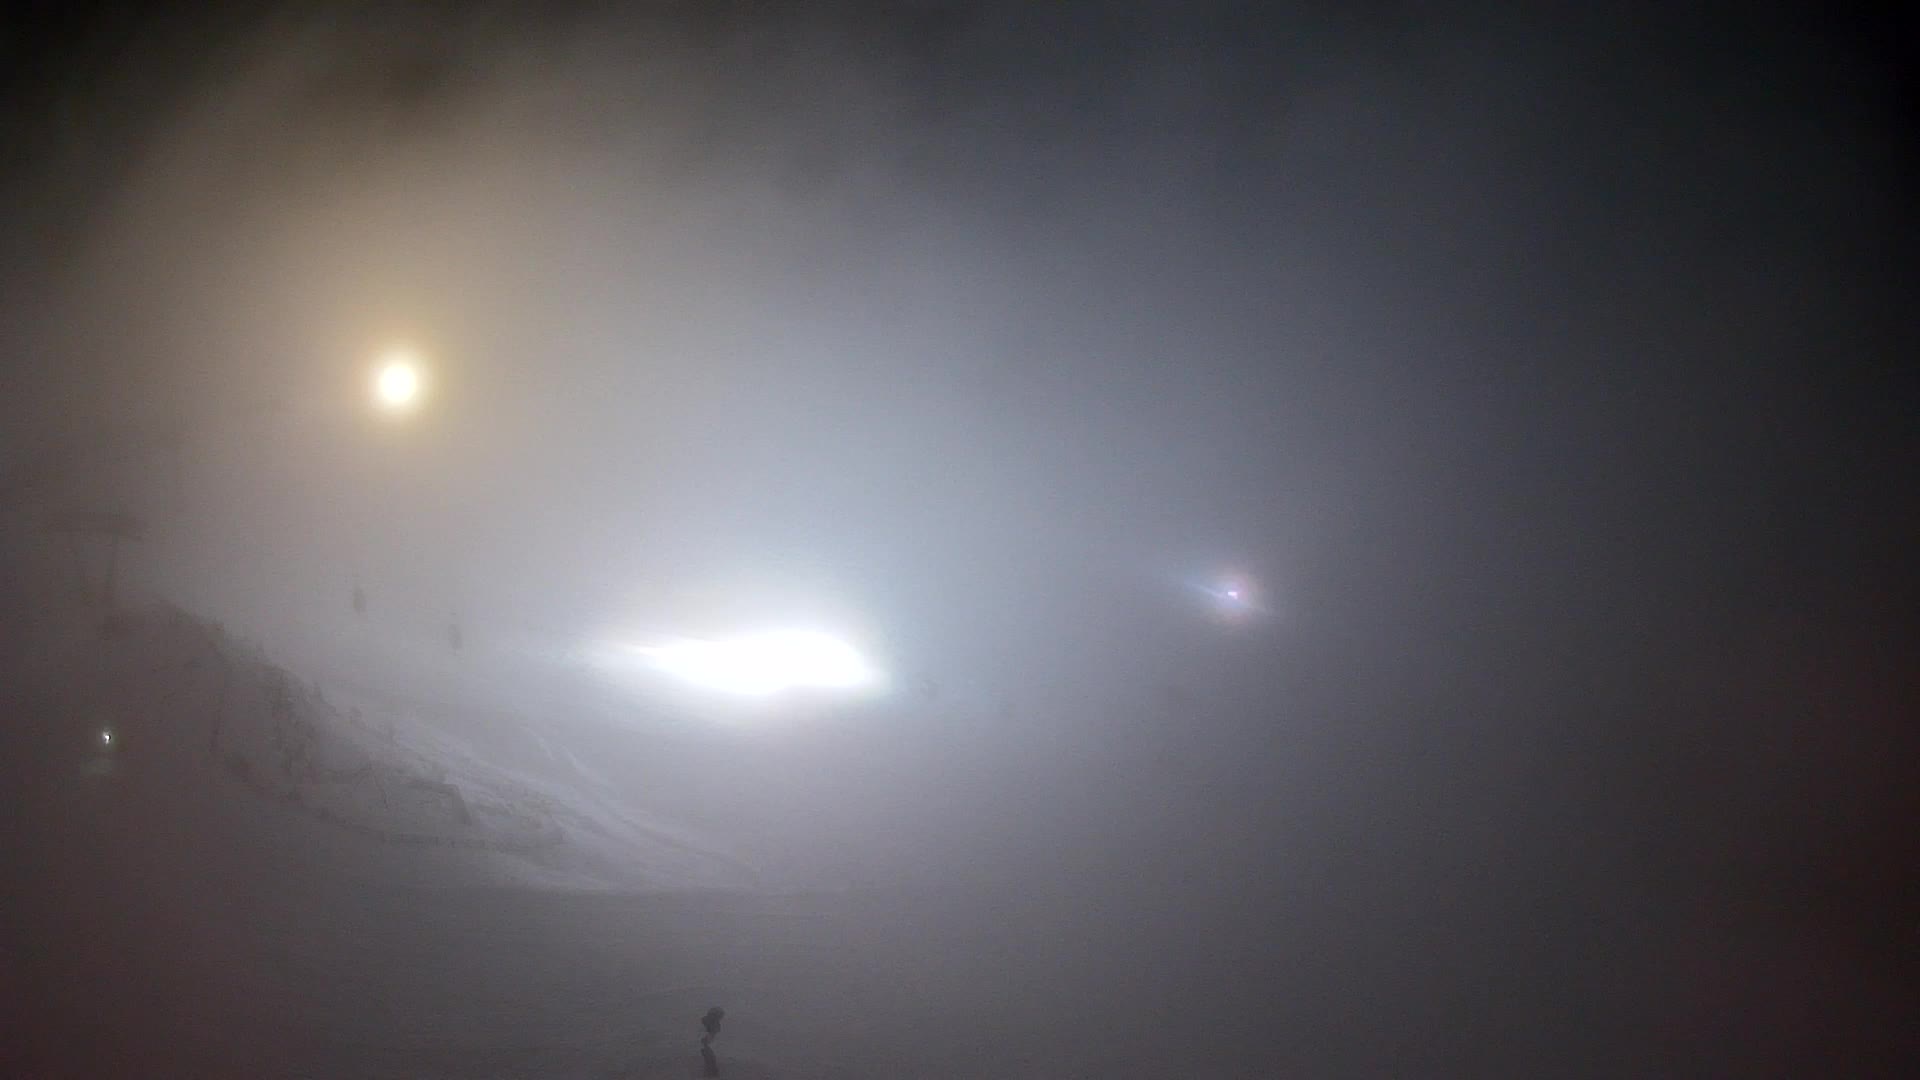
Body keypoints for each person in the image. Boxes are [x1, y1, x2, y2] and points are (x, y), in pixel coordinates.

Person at [699, 1006, 725, 1077]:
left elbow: (711, 1036)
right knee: (710, 1060)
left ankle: (710, 1074)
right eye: (719, 1016)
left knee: (710, 1060)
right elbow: (705, 1035)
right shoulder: (709, 1022)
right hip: (702, 1045)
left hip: (704, 1045)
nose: (720, 1018)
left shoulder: (712, 1023)